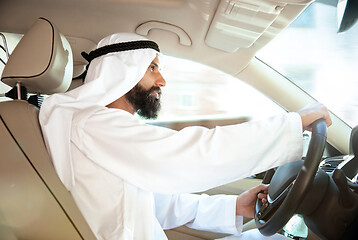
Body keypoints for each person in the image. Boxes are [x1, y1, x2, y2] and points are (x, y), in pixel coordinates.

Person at [39, 33, 332, 240]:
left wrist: (234, 206)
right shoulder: (93, 125)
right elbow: (192, 155)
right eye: (152, 68)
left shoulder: (102, 127)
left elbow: (148, 202)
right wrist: (292, 124)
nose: (162, 80)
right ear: (120, 71)